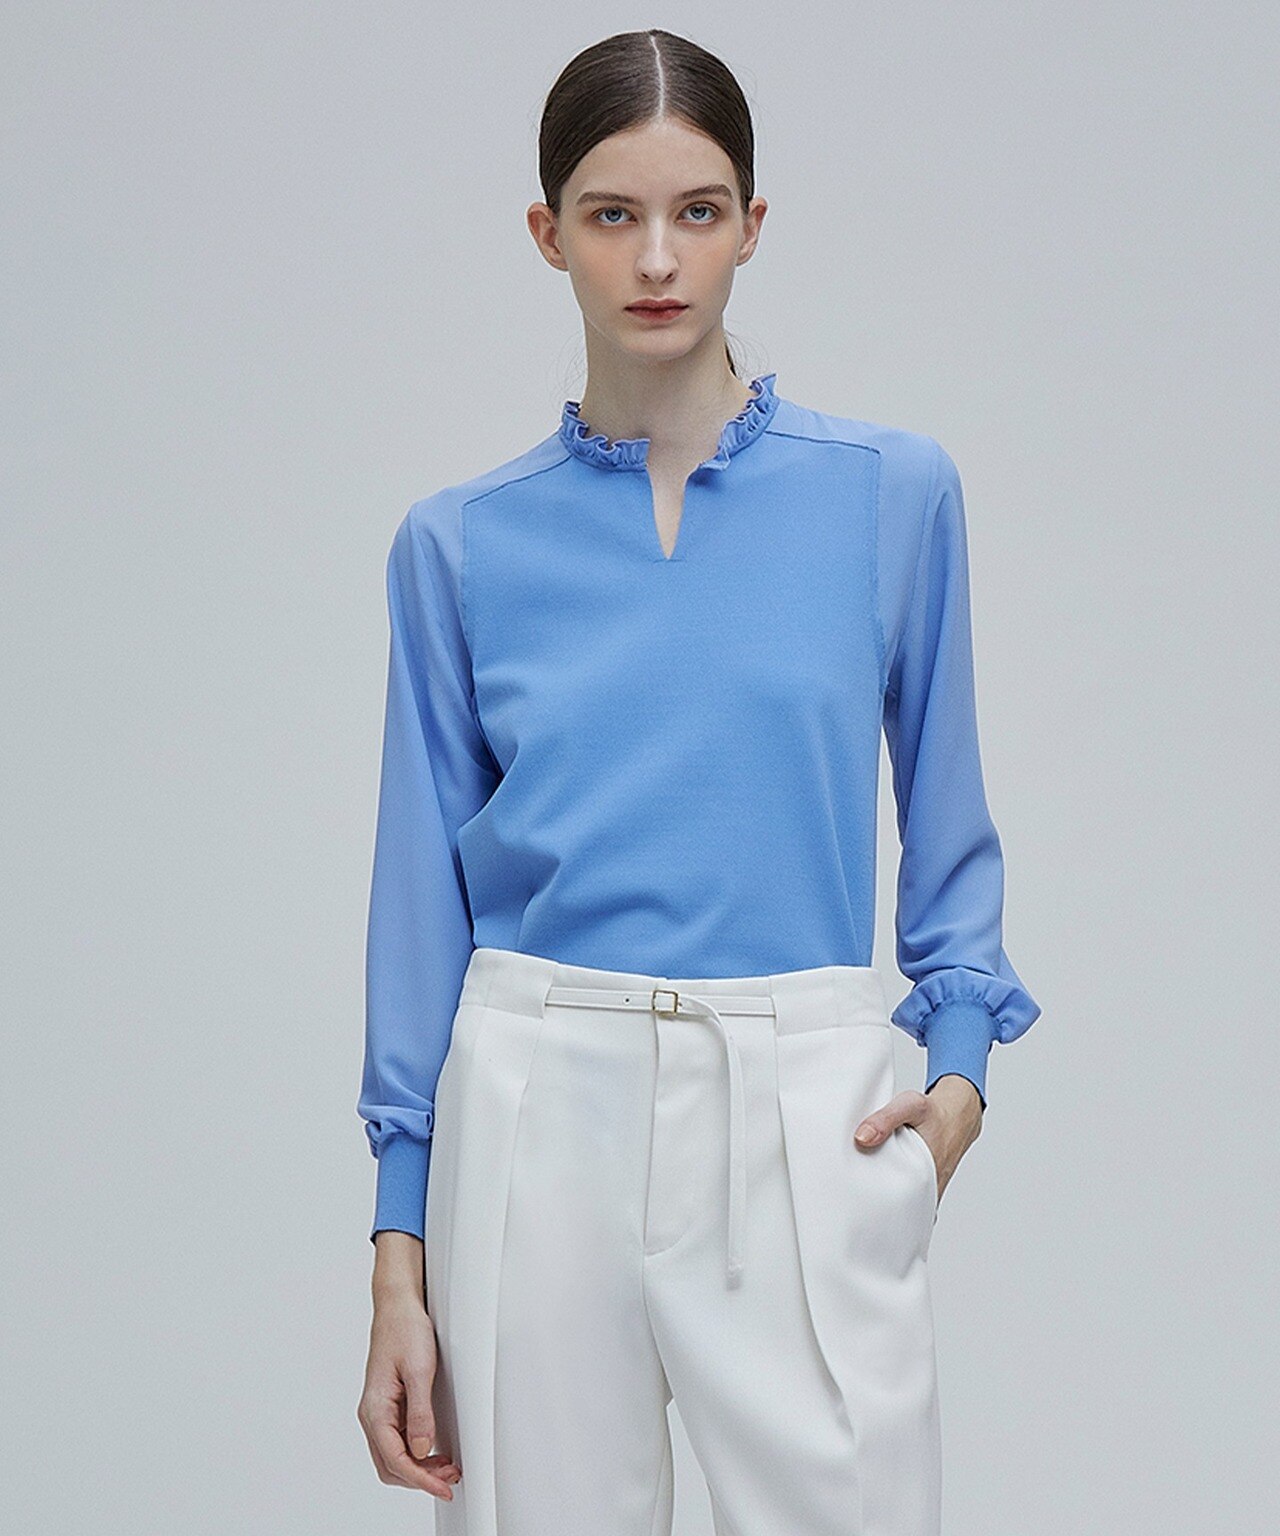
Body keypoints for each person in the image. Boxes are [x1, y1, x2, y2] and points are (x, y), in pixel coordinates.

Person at [355, 27, 1041, 1536]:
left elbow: (950, 817)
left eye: (699, 211)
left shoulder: (889, 494)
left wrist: (959, 1072)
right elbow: (419, 901)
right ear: (548, 234)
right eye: (613, 215)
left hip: (801, 1095)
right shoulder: (459, 546)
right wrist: (399, 1247)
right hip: (535, 1096)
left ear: (752, 224)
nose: (658, 258)